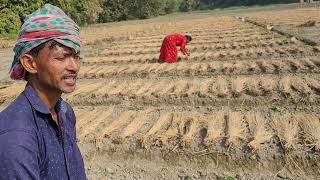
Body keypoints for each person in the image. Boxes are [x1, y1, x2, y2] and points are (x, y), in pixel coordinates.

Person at [0, 4, 86, 179]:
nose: (74, 66)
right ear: (30, 63)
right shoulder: (17, 135)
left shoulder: (65, 112)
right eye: (62, 57)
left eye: (76, 56)